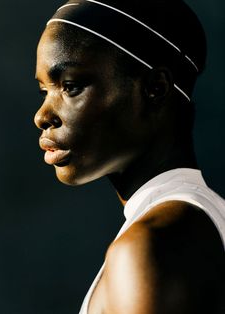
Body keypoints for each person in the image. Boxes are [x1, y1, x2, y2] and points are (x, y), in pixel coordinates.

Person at [34, 0, 225, 313]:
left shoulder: (149, 247)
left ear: (155, 88)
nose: (42, 116)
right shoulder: (202, 219)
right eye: (45, 91)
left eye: (70, 86)